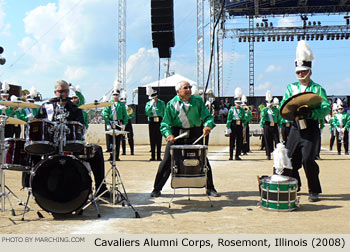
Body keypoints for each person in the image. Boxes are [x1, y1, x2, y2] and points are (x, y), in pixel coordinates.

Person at [33, 80, 110, 197]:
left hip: (71, 144)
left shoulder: (75, 108)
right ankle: (35, 187)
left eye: (65, 91)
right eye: (60, 91)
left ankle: (101, 188)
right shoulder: (46, 107)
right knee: (32, 149)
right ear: (55, 92)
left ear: (68, 92)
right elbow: (36, 124)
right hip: (50, 145)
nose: (63, 94)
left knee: (97, 150)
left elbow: (81, 128)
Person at [280, 40, 331, 202]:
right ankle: (296, 184)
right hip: (295, 127)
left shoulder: (317, 89)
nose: (300, 75)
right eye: (298, 72)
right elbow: (283, 106)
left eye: (304, 72)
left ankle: (314, 190)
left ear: (310, 71)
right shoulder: (290, 88)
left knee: (307, 159)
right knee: (289, 159)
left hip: (310, 128)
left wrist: (312, 112)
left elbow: (325, 108)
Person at [150, 80, 219, 197]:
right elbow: (165, 124)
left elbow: (207, 117)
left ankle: (210, 187)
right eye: (185, 88)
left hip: (195, 134)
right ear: (178, 91)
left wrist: (208, 125)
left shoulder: (197, 101)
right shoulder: (171, 104)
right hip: (177, 134)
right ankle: (157, 188)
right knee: (167, 161)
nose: (189, 90)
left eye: (189, 87)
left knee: (203, 160)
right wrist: (168, 134)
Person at [103, 84, 128, 161]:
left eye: (117, 95)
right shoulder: (109, 104)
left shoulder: (121, 104)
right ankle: (111, 156)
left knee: (117, 140)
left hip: (118, 123)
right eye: (114, 94)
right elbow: (106, 114)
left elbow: (125, 115)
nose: (115, 96)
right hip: (111, 123)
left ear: (119, 95)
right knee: (110, 141)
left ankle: (116, 156)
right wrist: (107, 124)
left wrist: (124, 124)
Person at [145, 86, 165, 161]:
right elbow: (147, 112)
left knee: (159, 138)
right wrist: (151, 105)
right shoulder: (148, 104)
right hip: (152, 121)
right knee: (152, 138)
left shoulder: (161, 103)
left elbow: (163, 112)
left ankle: (158, 156)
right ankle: (153, 156)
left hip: (159, 120)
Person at [226, 87, 246, 161]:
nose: (238, 104)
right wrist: (228, 127)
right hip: (233, 124)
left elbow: (244, 118)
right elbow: (229, 119)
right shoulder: (231, 110)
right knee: (232, 141)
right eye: (237, 103)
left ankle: (237, 155)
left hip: (239, 125)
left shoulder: (242, 110)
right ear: (235, 103)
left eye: (239, 103)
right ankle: (230, 156)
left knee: (239, 141)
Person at [260, 91, 280, 160]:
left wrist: (279, 125)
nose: (270, 106)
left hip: (274, 125)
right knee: (267, 140)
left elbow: (278, 117)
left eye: (271, 104)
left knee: (277, 140)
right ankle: (268, 155)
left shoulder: (276, 110)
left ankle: (278, 154)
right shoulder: (264, 109)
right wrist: (266, 109)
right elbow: (262, 116)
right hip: (267, 125)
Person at [120, 91, 135, 155]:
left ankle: (132, 151)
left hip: (128, 122)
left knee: (130, 136)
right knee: (122, 137)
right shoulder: (120, 107)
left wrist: (129, 113)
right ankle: (124, 151)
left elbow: (132, 115)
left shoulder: (128, 107)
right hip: (122, 122)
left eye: (125, 100)